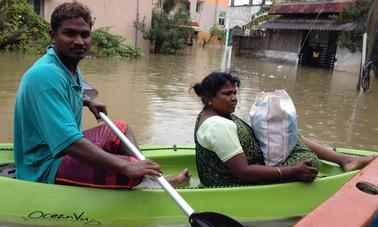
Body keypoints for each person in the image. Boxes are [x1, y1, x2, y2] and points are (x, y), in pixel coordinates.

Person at [13, 2, 189, 189]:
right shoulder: (45, 74)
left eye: (85, 34)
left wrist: (86, 101)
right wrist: (127, 166)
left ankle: (150, 179)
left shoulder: (68, 66)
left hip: (60, 150)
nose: (79, 41)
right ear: (53, 35)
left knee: (120, 129)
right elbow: (69, 144)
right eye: (69, 33)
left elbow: (61, 94)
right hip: (45, 165)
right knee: (130, 169)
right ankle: (145, 180)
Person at [191, 71, 374, 187]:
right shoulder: (218, 126)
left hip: (234, 170)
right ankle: (345, 160)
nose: (234, 98)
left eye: (235, 93)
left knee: (289, 134)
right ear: (209, 97)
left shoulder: (211, 113)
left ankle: (345, 160)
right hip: (232, 183)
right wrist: (294, 171)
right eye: (227, 94)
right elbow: (243, 173)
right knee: (308, 161)